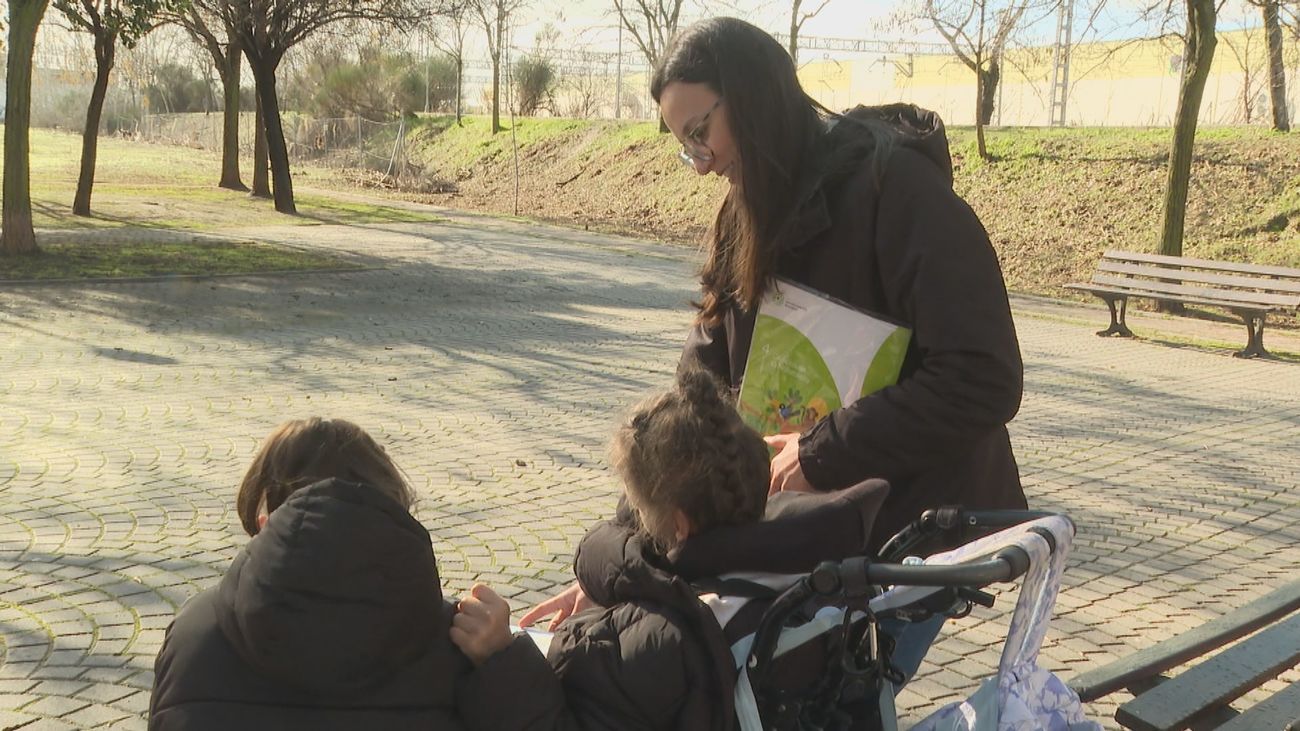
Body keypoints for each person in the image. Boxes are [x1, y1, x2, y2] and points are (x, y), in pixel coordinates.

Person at [525, 16, 1027, 685]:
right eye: (684, 147)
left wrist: (822, 452)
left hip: (909, 538)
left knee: (843, 703)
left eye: (700, 132)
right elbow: (693, 411)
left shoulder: (897, 192)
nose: (701, 163)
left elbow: (983, 375)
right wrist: (625, 562)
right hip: (802, 540)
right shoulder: (741, 214)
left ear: (754, 96)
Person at [453, 369, 892, 730]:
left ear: (678, 525)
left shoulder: (659, 637)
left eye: (637, 507)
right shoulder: (809, 571)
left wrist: (499, 659)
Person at [148, 418, 547, 731]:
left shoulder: (194, 631)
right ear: (394, 510)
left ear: (267, 523)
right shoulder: (463, 640)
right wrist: (503, 662)